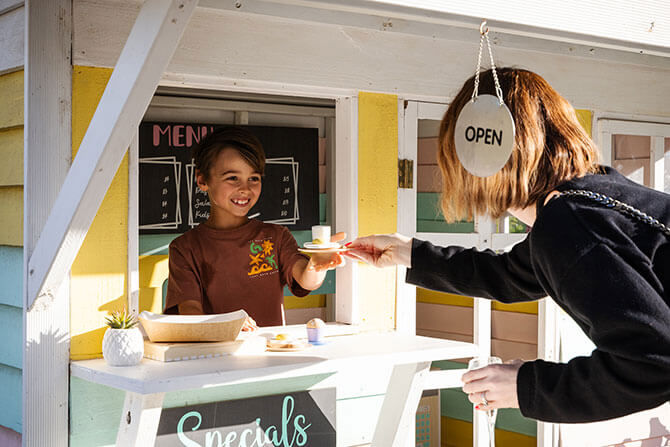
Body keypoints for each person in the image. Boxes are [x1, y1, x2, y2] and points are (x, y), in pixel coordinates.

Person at [344, 68, 670, 423]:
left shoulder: (569, 224)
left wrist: (525, 387)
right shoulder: (590, 199)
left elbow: (652, 363)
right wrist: (407, 252)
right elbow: (510, 275)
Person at [165, 126, 343, 330]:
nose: (245, 189)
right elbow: (190, 312)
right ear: (203, 180)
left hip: (270, 354)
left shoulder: (276, 236)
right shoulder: (184, 248)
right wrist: (227, 325)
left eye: (254, 178)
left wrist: (316, 265)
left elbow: (305, 279)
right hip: (215, 357)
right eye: (232, 178)